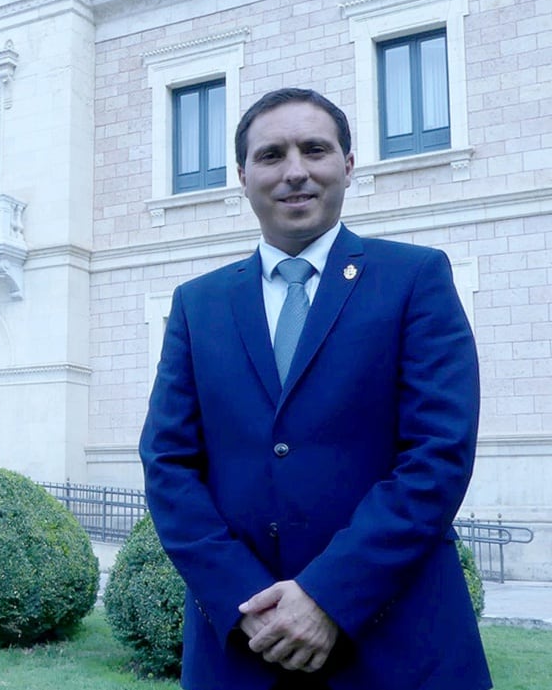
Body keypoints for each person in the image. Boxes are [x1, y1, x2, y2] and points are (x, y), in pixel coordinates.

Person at [139, 88, 491, 690]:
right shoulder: (197, 305)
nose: (295, 171)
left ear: (347, 165)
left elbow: (437, 456)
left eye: (315, 149)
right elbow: (168, 463)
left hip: (398, 641)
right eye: (272, 155)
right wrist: (251, 603)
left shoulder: (415, 278)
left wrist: (328, 597)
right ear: (243, 176)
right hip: (243, 646)